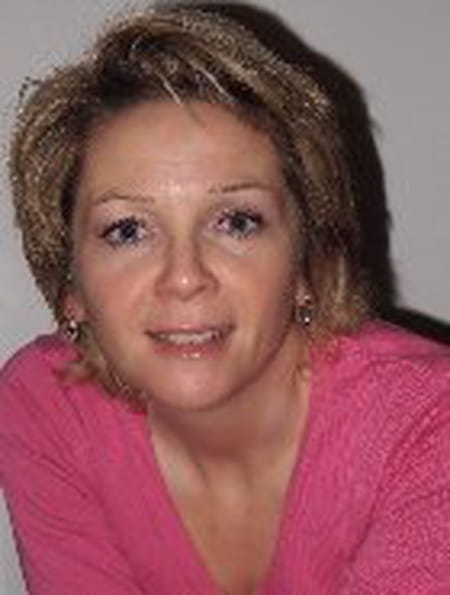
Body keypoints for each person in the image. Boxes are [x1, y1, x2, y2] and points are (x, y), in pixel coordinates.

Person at [1, 3, 449, 594]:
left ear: (307, 260)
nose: (184, 277)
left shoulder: (430, 426)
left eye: (236, 222)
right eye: (128, 230)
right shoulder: (46, 405)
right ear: (71, 287)